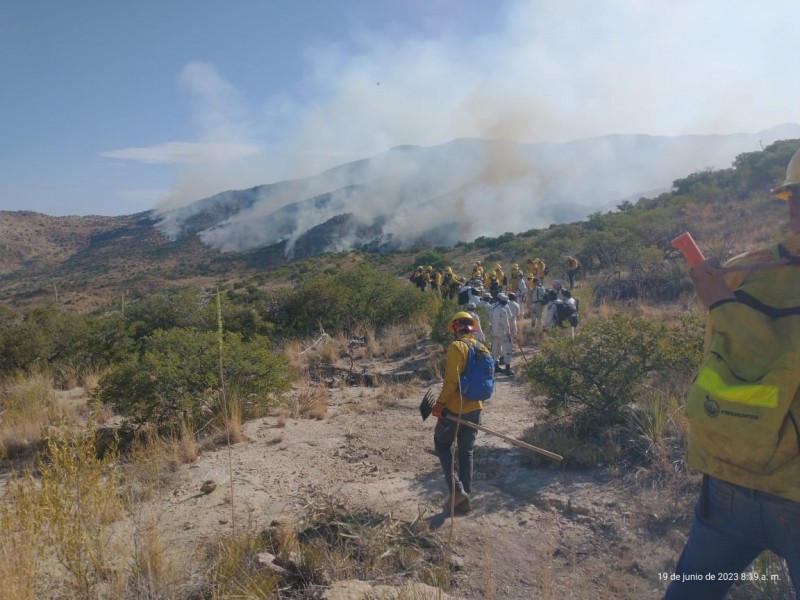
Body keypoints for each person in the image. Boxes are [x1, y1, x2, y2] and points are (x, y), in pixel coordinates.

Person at [662, 147, 800, 600]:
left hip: (728, 478)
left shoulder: (744, 269)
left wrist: (717, 296)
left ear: (789, 202)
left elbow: (723, 360)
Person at [430, 312, 490, 513]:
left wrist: (439, 404)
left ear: (456, 329)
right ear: (472, 328)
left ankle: (457, 491)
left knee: (441, 446)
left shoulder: (457, 347)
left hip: (455, 409)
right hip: (476, 410)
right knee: (467, 453)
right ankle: (464, 500)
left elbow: (451, 382)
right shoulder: (484, 349)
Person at [489, 293, 513, 375]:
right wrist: (509, 333)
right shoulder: (503, 310)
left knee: (495, 350)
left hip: (494, 332)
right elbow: (506, 323)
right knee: (507, 349)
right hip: (502, 333)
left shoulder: (492, 307)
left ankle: (495, 367)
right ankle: (507, 368)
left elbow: (490, 319)